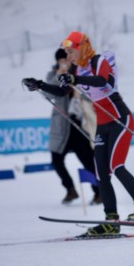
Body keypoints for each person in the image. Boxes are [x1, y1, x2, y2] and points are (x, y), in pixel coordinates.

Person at [22, 31, 134, 236]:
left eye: (71, 51)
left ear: (82, 47)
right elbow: (61, 92)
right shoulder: (76, 68)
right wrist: (40, 85)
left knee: (116, 166)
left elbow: (105, 81)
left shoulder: (97, 60)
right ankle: (111, 220)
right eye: (66, 52)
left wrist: (76, 77)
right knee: (101, 173)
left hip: (120, 119)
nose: (68, 56)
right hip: (102, 123)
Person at [40, 48, 101, 205]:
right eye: (61, 61)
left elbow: (91, 95)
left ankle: (99, 192)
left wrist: (77, 90)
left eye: (66, 60)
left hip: (78, 127)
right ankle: (70, 189)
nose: (64, 63)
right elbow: (48, 94)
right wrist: (58, 76)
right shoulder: (52, 75)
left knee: (88, 162)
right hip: (61, 127)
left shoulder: (79, 73)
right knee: (56, 160)